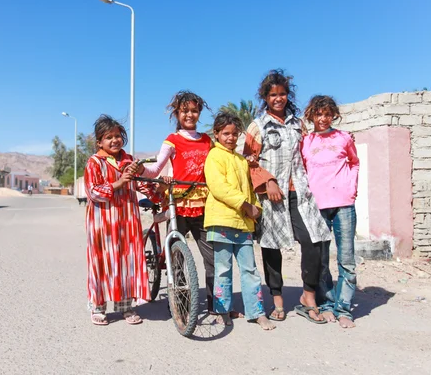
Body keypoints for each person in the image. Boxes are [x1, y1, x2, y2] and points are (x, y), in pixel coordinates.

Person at [243, 69, 331, 324]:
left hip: (299, 192)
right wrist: (267, 180)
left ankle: (308, 296)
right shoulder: (257, 127)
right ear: (266, 97)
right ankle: (278, 299)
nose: (278, 98)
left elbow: (311, 152)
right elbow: (249, 161)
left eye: (282, 94)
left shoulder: (298, 124)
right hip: (271, 196)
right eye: (273, 95)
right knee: (272, 246)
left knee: (314, 240)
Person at [140, 90, 222, 316]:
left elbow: (217, 166)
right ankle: (180, 302)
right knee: (176, 256)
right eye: (185, 111)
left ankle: (216, 303)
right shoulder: (172, 140)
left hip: (203, 205)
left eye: (194, 110)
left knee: (212, 257)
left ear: (199, 113)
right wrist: (140, 170)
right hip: (178, 205)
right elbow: (156, 168)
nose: (190, 115)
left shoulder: (207, 141)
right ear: (177, 113)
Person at [84, 114, 162, 326]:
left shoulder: (129, 162)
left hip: (127, 222)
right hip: (103, 224)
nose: (114, 140)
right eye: (108, 137)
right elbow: (92, 192)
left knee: (127, 262)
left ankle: (125, 307)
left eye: (118, 136)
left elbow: (143, 185)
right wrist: (119, 183)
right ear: (99, 141)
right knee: (102, 263)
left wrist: (159, 192)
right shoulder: (94, 163)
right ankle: (98, 307)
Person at [204, 112, 275, 330]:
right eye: (226, 133)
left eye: (235, 134)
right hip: (222, 221)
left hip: (243, 224)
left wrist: (257, 208)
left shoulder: (241, 160)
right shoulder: (214, 157)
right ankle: (222, 311)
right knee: (223, 269)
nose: (231, 138)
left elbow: (250, 190)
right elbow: (219, 188)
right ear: (216, 134)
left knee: (250, 270)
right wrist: (245, 205)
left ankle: (256, 312)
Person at [302, 95, 359, 329]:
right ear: (311, 115)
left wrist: (351, 188)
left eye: (327, 114)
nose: (323, 118)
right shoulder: (305, 141)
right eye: (318, 114)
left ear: (333, 115)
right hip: (318, 206)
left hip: (344, 204)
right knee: (322, 260)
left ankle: (344, 308)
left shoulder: (344, 137)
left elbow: (354, 162)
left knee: (347, 259)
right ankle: (326, 305)